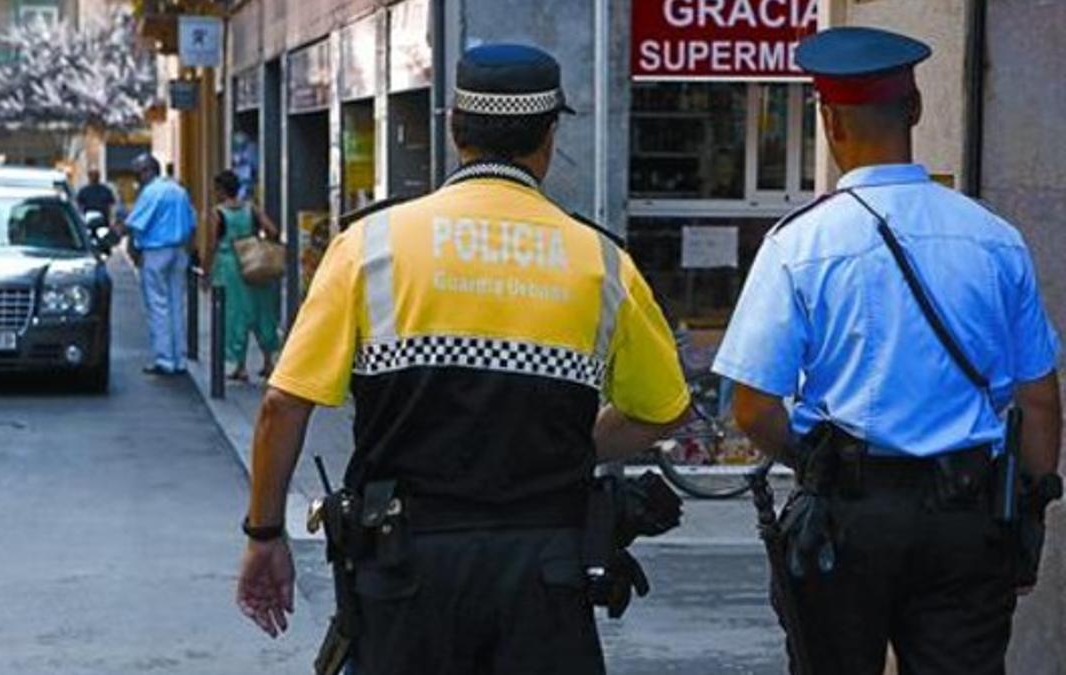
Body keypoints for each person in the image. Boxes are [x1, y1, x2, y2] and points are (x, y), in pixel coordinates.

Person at [235, 43, 692, 673]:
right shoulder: (602, 262)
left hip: (402, 573)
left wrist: (264, 535)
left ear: (454, 128)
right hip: (545, 576)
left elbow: (283, 403)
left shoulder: (369, 246)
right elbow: (662, 411)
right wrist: (570, 446)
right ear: (550, 134)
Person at [712, 27, 1062, 674]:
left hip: (847, 518)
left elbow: (753, 409)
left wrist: (812, 462)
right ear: (916, 109)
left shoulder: (800, 243)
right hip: (968, 515)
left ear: (828, 120)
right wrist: (1029, 516)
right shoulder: (995, 239)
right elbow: (1039, 398)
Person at [203, 170, 281, 382]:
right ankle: (269, 362)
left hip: (229, 267)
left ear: (220, 190)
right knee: (263, 313)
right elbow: (272, 231)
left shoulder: (217, 212)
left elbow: (211, 244)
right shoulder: (251, 207)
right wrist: (254, 239)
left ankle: (239, 366)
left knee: (234, 315)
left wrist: (206, 272)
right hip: (254, 264)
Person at [125, 153, 196, 376]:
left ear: (148, 170)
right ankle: (180, 358)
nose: (136, 178)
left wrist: (132, 247)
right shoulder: (179, 190)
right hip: (179, 251)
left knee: (158, 305)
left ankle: (165, 359)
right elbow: (192, 224)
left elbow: (136, 224)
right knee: (176, 305)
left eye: (138, 173)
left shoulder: (151, 192)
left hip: (156, 251)